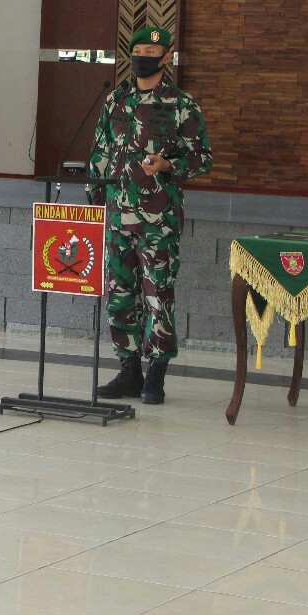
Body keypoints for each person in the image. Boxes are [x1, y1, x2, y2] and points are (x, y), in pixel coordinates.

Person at [88, 26, 212, 405]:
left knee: (158, 295)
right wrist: (93, 198)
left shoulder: (181, 104)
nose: (143, 57)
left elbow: (202, 158)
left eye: (151, 51)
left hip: (159, 222)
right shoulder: (116, 101)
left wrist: (168, 165)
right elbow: (100, 153)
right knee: (119, 294)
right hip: (117, 219)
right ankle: (129, 370)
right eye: (138, 50)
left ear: (166, 57)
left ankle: (156, 374)